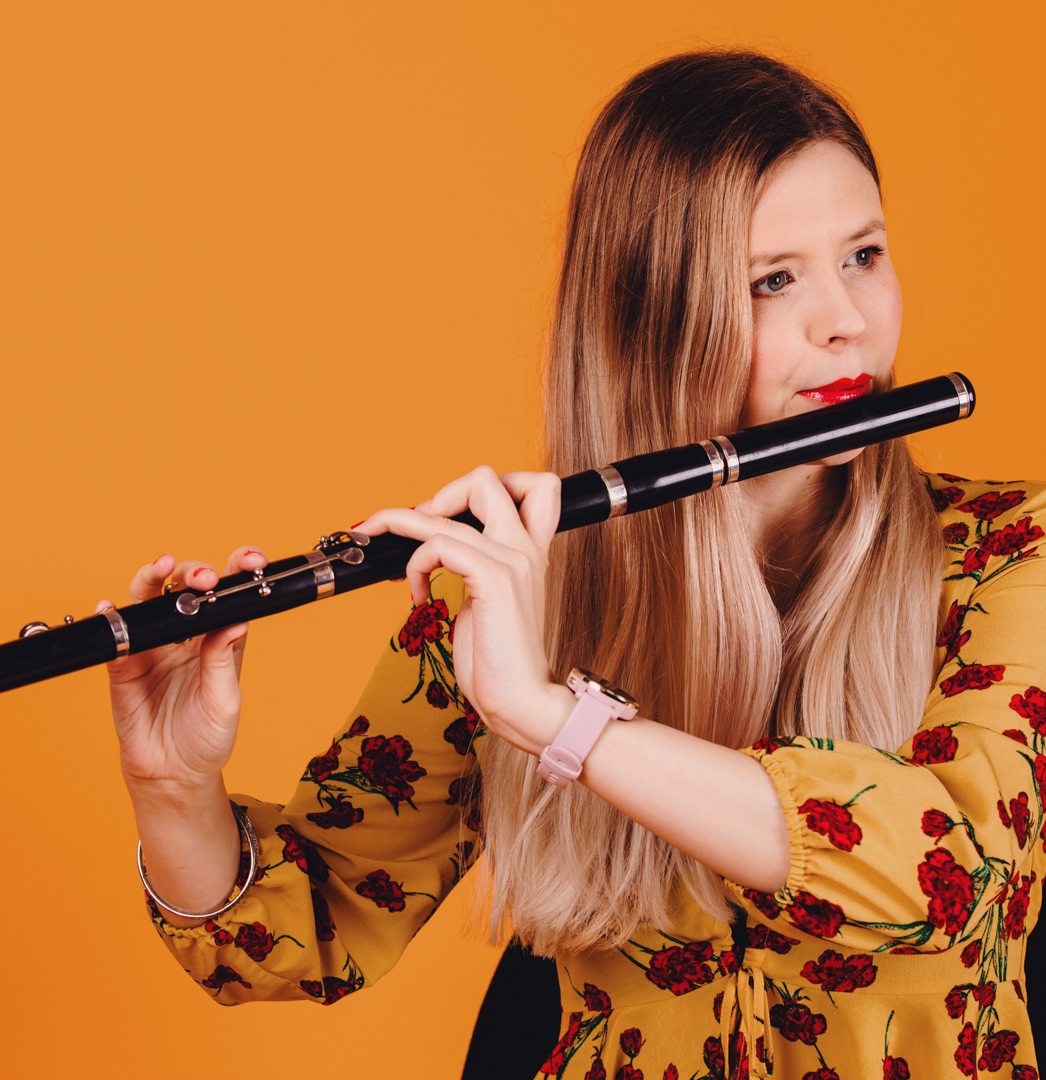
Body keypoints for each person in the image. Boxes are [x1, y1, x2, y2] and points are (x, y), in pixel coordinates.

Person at [104, 51, 1045, 1077]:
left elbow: (959, 871)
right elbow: (303, 937)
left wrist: (559, 720)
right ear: (652, 321)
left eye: (863, 255)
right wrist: (174, 784)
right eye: (773, 280)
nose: (848, 321)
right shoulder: (518, 593)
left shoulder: (1009, 554)